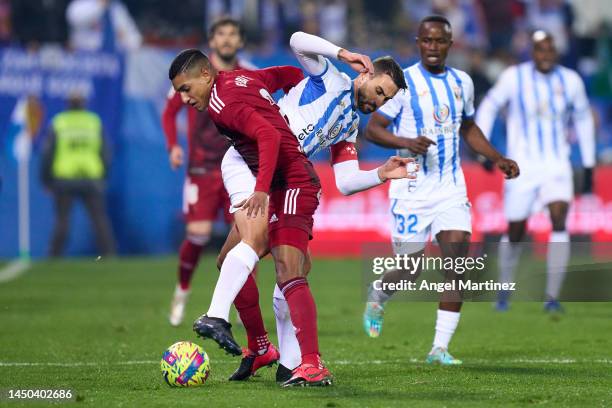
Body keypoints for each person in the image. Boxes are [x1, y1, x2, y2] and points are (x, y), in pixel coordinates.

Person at [168, 45, 406, 386]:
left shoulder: (349, 124)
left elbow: (347, 181)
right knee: (271, 256)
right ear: (364, 74)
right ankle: (246, 334)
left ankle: (278, 354)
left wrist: (380, 174)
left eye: (385, 100)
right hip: (255, 164)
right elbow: (297, 40)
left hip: (284, 173)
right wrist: (341, 54)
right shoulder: (329, 79)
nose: (378, 102)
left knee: (272, 264)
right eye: (379, 91)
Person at [362, 15, 519, 365]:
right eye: (427, 41)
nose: (433, 47)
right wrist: (405, 142)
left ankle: (439, 348)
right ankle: (378, 294)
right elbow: (373, 129)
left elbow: (468, 126)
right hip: (411, 189)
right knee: (410, 269)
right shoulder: (402, 83)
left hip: (450, 187)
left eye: (440, 41)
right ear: (419, 42)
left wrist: (497, 157)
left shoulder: (462, 82)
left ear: (450, 44)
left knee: (457, 265)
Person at [475, 30, 595, 312]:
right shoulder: (513, 77)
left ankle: (552, 297)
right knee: (516, 230)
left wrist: (588, 164)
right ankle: (504, 289)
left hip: (557, 164)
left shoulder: (571, 80)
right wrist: (484, 149)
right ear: (532, 51)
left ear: (556, 52)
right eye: (540, 49)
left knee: (559, 218)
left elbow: (583, 120)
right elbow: (489, 106)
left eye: (550, 50)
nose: (545, 55)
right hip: (522, 167)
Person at [162, 17, 254, 327]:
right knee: (198, 235)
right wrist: (174, 145)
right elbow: (171, 110)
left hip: (239, 167)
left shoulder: (247, 74)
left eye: (233, 34)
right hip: (202, 167)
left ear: (240, 41)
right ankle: (182, 292)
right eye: (221, 34)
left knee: (245, 238)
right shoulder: (192, 74)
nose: (227, 40)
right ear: (212, 41)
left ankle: (242, 305)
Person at [41, 93, 116, 257]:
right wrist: (104, 176)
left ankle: (53, 257)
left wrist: (45, 180)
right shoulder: (93, 122)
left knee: (62, 221)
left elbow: (47, 153)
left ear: (67, 104)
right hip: (91, 177)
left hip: (65, 178)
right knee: (99, 220)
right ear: (84, 103)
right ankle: (109, 256)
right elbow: (106, 152)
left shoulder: (59, 122)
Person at [66, 0, 142, 52]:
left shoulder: (117, 7)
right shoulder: (82, 3)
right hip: (86, 60)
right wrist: (100, 6)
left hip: (113, 63)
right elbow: (74, 18)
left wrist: (125, 39)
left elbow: (135, 41)